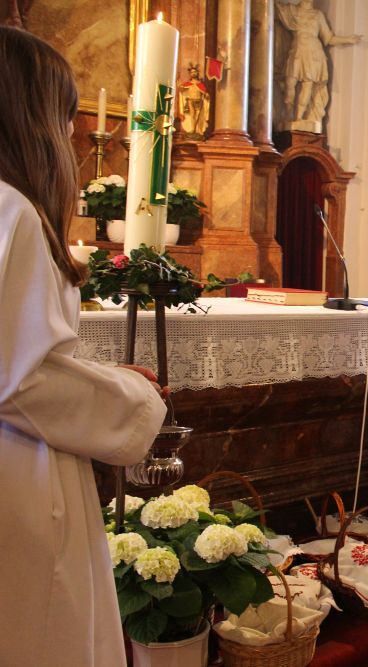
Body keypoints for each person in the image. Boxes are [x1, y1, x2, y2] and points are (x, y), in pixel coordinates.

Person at [0, 27, 168, 666]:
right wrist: (131, 395)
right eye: (66, 114)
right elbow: (19, 381)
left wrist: (93, 375)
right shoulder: (12, 211)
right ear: (32, 116)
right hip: (20, 472)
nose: (72, 133)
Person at [276, 0, 360, 127]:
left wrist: (348, 39)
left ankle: (299, 118)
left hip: (314, 53)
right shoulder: (291, 11)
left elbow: (328, 38)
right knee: (290, 84)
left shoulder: (318, 15)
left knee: (308, 86)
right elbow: (273, 10)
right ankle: (288, 115)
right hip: (298, 49)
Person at [177, 63, 210, 140]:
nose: (193, 73)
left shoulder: (200, 84)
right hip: (190, 101)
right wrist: (178, 82)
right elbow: (181, 88)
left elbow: (205, 93)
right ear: (190, 74)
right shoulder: (188, 84)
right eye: (192, 72)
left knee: (198, 116)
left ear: (197, 73)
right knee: (192, 115)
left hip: (199, 101)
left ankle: (197, 130)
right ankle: (192, 129)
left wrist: (206, 95)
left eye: (195, 72)